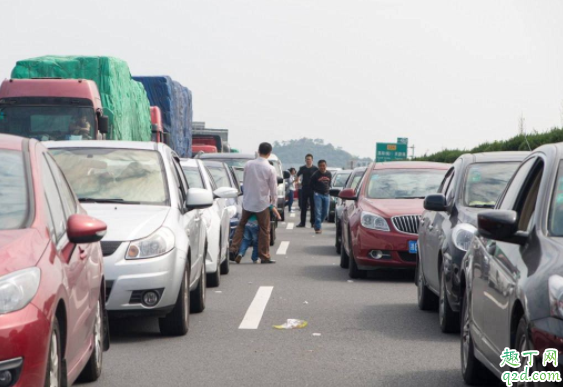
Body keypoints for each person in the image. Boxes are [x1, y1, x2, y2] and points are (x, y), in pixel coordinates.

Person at [230, 142, 280, 264]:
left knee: (241, 226)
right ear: (269, 153)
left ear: (258, 151)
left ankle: (233, 250)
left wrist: (246, 196)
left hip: (247, 202)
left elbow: (245, 182)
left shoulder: (248, 164)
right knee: (264, 230)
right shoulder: (270, 168)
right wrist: (273, 203)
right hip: (262, 203)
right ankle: (264, 255)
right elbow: (273, 188)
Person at [296, 154, 318, 228]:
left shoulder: (315, 169)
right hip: (304, 188)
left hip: (313, 189)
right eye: (307, 159)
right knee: (303, 206)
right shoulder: (302, 168)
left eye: (309, 159)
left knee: (313, 206)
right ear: (305, 160)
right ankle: (302, 222)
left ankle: (313, 222)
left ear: (312, 160)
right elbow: (297, 176)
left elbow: (318, 178)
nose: (308, 160)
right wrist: (297, 181)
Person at [310, 160, 332, 234]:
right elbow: (311, 184)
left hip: (326, 194)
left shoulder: (329, 174)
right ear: (318, 166)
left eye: (324, 165)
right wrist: (316, 190)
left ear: (326, 165)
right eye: (321, 166)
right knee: (318, 211)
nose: (322, 167)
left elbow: (329, 183)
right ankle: (318, 227)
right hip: (318, 194)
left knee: (326, 211)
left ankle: (317, 223)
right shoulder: (315, 175)